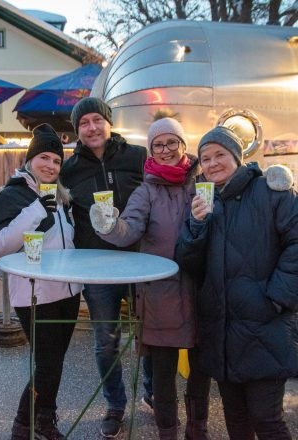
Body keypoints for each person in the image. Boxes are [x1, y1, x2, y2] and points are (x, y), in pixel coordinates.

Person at [89, 113, 212, 440]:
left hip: (202, 290)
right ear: (151, 151)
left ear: (183, 144)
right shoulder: (146, 191)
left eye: (172, 142)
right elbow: (128, 230)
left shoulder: (202, 183)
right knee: (162, 375)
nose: (166, 149)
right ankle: (167, 433)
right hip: (161, 293)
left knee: (201, 370)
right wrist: (109, 226)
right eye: (158, 145)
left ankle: (197, 429)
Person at [175, 126, 298, 440]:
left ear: (236, 156)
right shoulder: (206, 201)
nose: (213, 163)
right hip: (222, 329)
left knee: (267, 419)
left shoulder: (269, 191)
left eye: (220, 155)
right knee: (237, 419)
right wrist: (196, 227)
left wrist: (276, 297)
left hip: (264, 324)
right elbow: (189, 264)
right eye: (205, 158)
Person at [60, 97, 146, 438]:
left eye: (97, 120)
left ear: (109, 123)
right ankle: (115, 404)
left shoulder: (137, 157)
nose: (92, 127)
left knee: (149, 333)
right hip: (96, 266)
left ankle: (152, 389)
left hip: (139, 261)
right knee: (105, 340)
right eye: (84, 123)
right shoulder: (69, 169)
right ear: (77, 131)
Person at [0, 124, 82, 440]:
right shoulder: (12, 194)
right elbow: (0, 245)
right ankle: (22, 424)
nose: (51, 166)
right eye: (44, 157)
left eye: (56, 161)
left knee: (54, 364)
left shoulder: (62, 197)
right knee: (46, 365)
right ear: (30, 160)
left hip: (68, 291)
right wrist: (36, 210)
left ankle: (45, 420)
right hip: (34, 293)